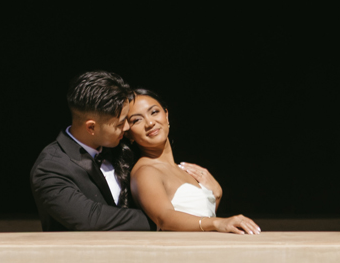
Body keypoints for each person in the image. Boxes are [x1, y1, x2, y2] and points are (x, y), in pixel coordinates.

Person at [30, 70, 153, 232]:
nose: (127, 127)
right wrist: (162, 219)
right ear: (91, 127)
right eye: (120, 124)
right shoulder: (49, 167)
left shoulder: (122, 147)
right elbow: (91, 219)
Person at [124, 88, 261, 234]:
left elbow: (196, 218)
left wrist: (216, 195)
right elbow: (164, 218)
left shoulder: (182, 169)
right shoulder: (146, 172)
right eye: (137, 120)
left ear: (166, 115)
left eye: (154, 112)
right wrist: (218, 222)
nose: (150, 123)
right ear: (128, 134)